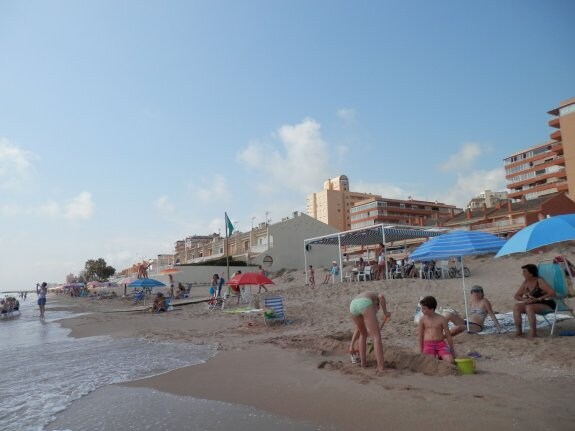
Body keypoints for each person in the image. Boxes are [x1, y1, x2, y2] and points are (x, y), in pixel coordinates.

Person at [349, 291, 391, 371]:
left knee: (363, 334)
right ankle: (381, 367)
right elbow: (381, 296)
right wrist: (385, 312)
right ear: (376, 304)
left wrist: (352, 344)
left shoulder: (368, 295)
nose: (376, 311)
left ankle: (363, 363)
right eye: (377, 309)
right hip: (364, 303)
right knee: (376, 337)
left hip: (353, 305)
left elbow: (357, 329)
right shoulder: (375, 297)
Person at [513, 263, 556, 337]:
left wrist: (538, 299)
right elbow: (516, 296)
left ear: (531, 274)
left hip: (546, 303)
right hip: (532, 303)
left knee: (529, 308)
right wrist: (524, 300)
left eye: (524, 272)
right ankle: (519, 332)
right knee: (516, 307)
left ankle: (533, 333)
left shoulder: (539, 281)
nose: (522, 274)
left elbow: (552, 293)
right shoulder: (526, 283)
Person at [418, 296, 455, 363]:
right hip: (428, 344)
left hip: (441, 344)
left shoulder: (441, 319)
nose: (422, 311)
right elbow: (420, 336)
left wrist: (452, 351)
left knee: (450, 361)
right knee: (430, 362)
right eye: (422, 308)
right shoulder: (422, 319)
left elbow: (448, 336)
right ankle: (438, 356)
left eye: (424, 309)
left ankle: (441, 356)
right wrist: (421, 351)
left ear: (431, 309)